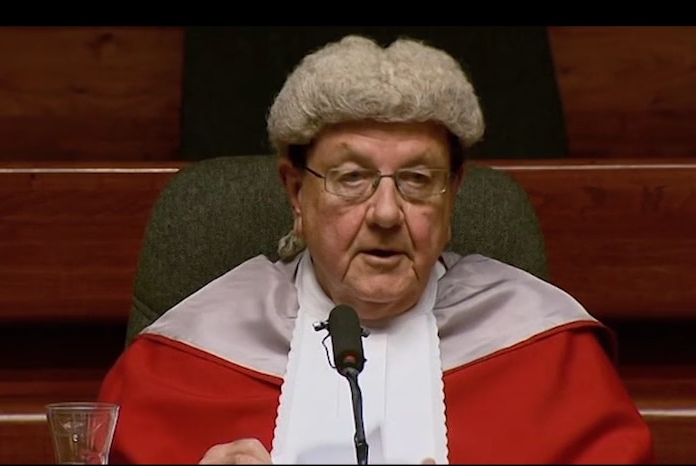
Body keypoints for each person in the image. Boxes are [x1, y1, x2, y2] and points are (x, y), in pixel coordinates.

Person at [97, 34, 654, 464]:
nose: (386, 214)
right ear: (297, 192)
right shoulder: (188, 356)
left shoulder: (549, 354)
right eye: (351, 177)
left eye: (416, 179)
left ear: (453, 193)